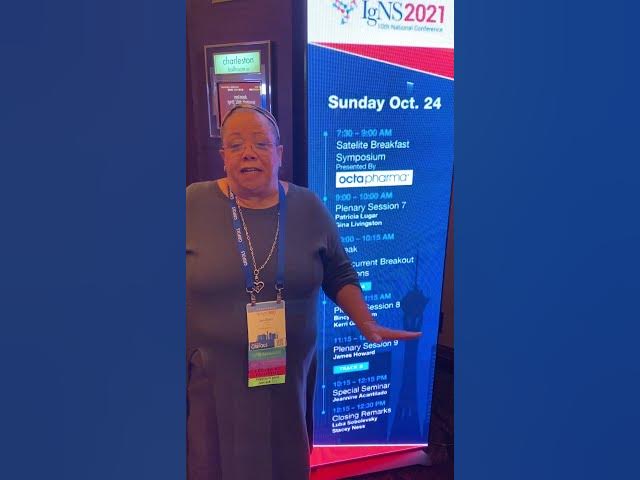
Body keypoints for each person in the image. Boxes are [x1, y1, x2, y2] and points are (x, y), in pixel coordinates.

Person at [186, 104, 420, 480]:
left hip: (287, 371)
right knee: (213, 460)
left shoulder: (308, 206)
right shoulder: (193, 203)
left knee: (283, 458)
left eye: (261, 143)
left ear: (280, 153)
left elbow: (339, 271)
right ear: (223, 156)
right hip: (215, 373)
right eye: (236, 145)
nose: (249, 153)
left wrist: (366, 323)